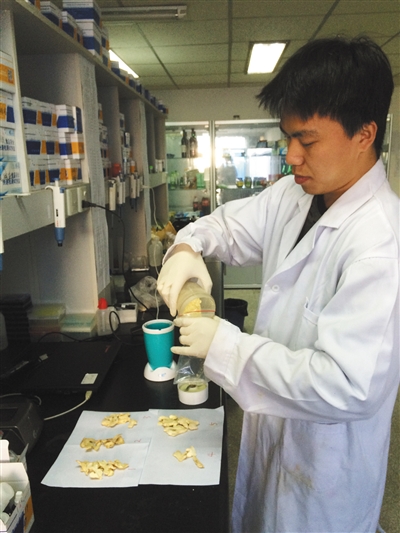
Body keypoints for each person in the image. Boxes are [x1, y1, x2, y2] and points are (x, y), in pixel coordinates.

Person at [157, 36, 399, 533]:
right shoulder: (295, 194)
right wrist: (187, 245)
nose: (291, 156)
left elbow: (347, 388)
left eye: (307, 141)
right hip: (271, 443)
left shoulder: (381, 244)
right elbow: (228, 226)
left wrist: (225, 346)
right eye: (287, 137)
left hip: (324, 478)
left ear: (364, 134)